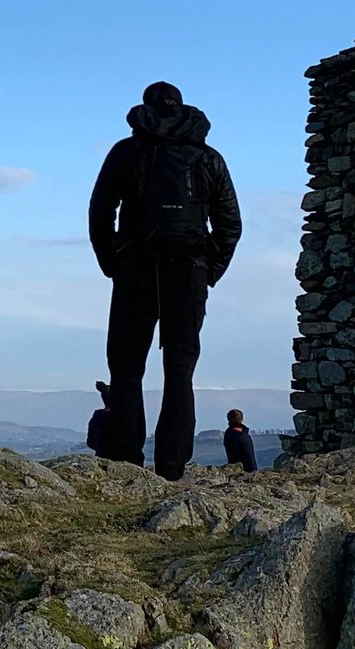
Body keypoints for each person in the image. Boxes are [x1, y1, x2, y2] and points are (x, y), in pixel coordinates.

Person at [88, 81, 242, 478]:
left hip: (136, 269)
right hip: (189, 272)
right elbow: (229, 223)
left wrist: (112, 262)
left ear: (145, 108)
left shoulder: (126, 152)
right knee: (179, 369)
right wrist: (211, 271)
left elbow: (100, 210)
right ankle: (172, 466)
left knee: (126, 367)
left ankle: (126, 458)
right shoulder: (208, 157)